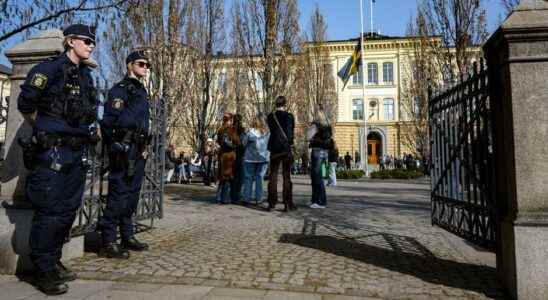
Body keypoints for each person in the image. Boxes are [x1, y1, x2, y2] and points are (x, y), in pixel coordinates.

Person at [17, 24, 99, 295]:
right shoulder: (48, 70)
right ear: (70, 41)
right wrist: (46, 128)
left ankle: (53, 260)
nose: (91, 46)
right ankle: (42, 270)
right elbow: (26, 104)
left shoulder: (85, 76)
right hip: (53, 151)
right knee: (49, 211)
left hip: (77, 152)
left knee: (67, 211)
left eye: (92, 43)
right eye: (86, 41)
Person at [97, 50, 151, 260]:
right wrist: (118, 145)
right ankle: (108, 241)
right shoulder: (120, 90)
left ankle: (127, 235)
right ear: (130, 65)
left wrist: (145, 145)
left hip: (138, 149)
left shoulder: (141, 91)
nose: (145, 68)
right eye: (141, 64)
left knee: (132, 195)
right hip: (123, 149)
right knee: (119, 194)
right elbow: (109, 121)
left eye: (147, 65)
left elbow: (144, 123)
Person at [267, 95, 296, 212]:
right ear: (285, 104)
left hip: (274, 148)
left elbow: (272, 131)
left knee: (273, 176)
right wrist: (291, 142)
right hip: (285, 148)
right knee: (286, 176)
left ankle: (272, 202)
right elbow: (290, 133)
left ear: (276, 104)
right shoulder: (289, 116)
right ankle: (287, 203)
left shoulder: (270, 116)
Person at [241, 114, 270, 205]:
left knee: (248, 178)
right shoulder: (268, 133)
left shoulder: (250, 132)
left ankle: (246, 198)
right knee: (259, 178)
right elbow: (270, 145)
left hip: (249, 159)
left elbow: (243, 143)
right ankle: (259, 198)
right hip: (263, 158)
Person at [216, 113, 240, 204]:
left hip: (222, 155)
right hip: (230, 156)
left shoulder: (220, 129)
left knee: (222, 177)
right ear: (230, 120)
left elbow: (218, 141)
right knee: (227, 177)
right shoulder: (232, 129)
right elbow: (237, 142)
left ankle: (219, 197)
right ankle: (225, 198)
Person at [309, 123, 333, 208]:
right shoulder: (328, 125)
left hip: (317, 151)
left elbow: (309, 137)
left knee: (316, 177)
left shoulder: (315, 125)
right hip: (325, 152)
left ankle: (319, 201)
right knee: (320, 177)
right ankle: (318, 200)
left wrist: (311, 139)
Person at [230, 113, 245, 203]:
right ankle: (238, 196)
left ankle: (232, 196)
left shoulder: (231, 130)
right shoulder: (242, 130)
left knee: (233, 177)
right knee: (240, 178)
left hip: (232, 155)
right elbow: (243, 144)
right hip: (241, 156)